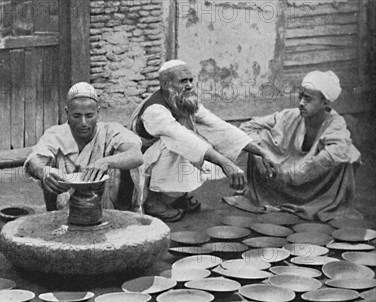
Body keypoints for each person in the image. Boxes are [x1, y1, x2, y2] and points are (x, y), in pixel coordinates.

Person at [129, 59, 275, 222]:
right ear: (164, 84)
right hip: (142, 162)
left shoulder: (184, 100)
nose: (190, 85)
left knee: (199, 140)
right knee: (180, 144)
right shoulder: (155, 110)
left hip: (164, 155)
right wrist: (225, 163)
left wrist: (262, 152)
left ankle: (175, 197)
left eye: (191, 80)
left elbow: (218, 126)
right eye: (183, 81)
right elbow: (181, 138)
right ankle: (153, 201)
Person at [225, 70, 362, 222]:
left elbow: (335, 152)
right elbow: (247, 127)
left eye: (308, 99)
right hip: (282, 171)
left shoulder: (335, 123)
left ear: (325, 103)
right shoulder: (290, 115)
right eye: (301, 97)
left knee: (346, 155)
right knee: (258, 137)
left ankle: (316, 204)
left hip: (312, 182)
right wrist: (260, 154)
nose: (301, 103)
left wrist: (299, 172)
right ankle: (272, 197)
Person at [25, 82, 145, 212]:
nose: (83, 123)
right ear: (67, 112)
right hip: (66, 211)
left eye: (89, 116)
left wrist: (106, 162)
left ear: (98, 112)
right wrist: (44, 171)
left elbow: (136, 155)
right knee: (48, 173)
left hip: (106, 208)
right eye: (76, 116)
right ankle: (54, 217)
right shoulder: (55, 134)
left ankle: (122, 216)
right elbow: (33, 161)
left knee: (125, 163)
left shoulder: (111, 131)